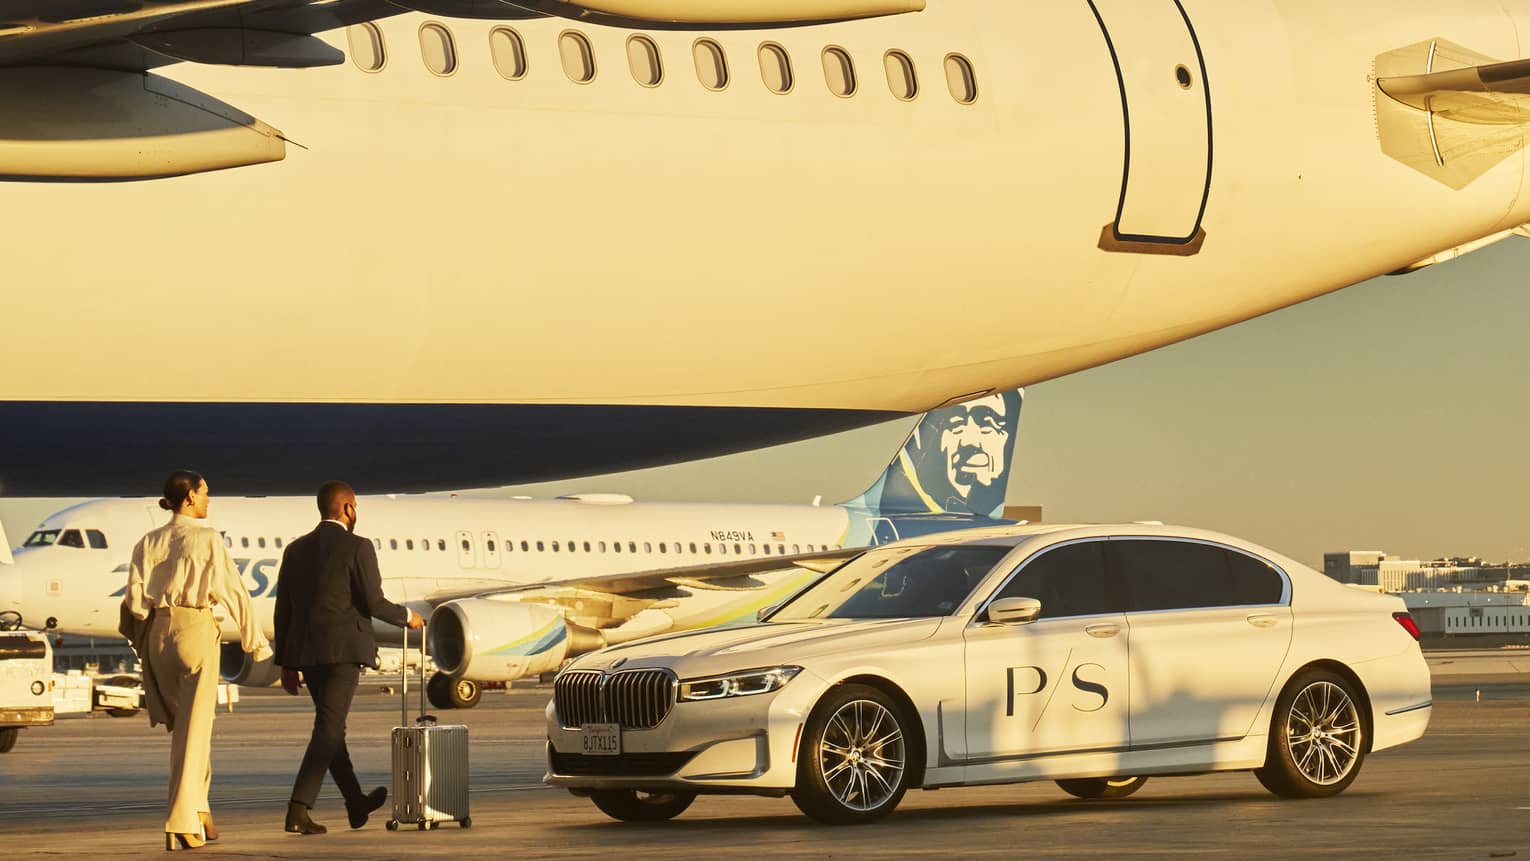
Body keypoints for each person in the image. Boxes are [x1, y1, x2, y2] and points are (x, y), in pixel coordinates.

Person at [120, 470, 272, 851]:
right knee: (193, 733)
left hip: (158, 635)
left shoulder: (147, 541)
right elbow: (235, 591)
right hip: (195, 630)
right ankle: (181, 822)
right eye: (204, 494)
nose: (208, 500)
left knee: (190, 731)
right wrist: (257, 644)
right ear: (189, 497)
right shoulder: (207, 539)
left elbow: (135, 603)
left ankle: (201, 808)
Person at [274, 480, 423, 835]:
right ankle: (298, 809)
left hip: (307, 653)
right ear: (348, 508)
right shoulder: (358, 546)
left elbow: (284, 609)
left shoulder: (295, 549)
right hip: (343, 652)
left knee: (332, 728)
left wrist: (286, 661)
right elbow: (373, 602)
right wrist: (408, 616)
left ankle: (355, 801)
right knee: (327, 729)